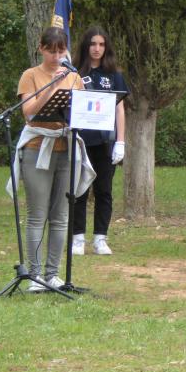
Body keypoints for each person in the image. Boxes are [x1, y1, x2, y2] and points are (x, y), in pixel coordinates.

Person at [14, 27, 91, 292]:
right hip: (38, 147)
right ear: (41, 48)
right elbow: (29, 112)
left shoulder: (74, 76)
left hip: (66, 147)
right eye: (51, 51)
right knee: (37, 215)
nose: (56, 56)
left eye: (61, 51)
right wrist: (54, 85)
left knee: (61, 216)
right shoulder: (31, 75)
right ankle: (35, 276)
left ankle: (53, 274)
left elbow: (83, 110)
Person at [71, 27, 129, 255]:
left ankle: (100, 238)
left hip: (105, 141)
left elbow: (119, 109)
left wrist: (120, 141)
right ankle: (77, 239)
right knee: (79, 190)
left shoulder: (113, 74)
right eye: (93, 44)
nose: (97, 49)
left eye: (101, 44)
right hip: (80, 141)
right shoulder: (74, 72)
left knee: (104, 190)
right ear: (86, 46)